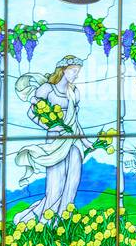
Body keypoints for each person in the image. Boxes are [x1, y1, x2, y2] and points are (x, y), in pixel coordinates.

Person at [12, 54, 85, 224]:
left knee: (72, 183)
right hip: (55, 141)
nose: (76, 74)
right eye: (73, 71)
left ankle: (63, 221)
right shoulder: (46, 89)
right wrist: (50, 127)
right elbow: (32, 113)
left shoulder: (74, 92)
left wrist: (86, 141)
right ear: (63, 70)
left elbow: (75, 121)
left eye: (78, 71)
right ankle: (45, 221)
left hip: (74, 142)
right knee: (56, 184)